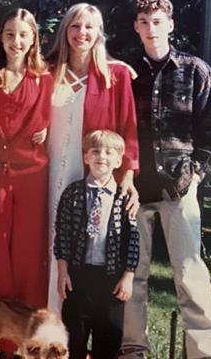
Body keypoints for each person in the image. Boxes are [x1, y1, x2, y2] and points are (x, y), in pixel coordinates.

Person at [120, 0, 211, 359]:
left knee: (189, 273)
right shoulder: (125, 72)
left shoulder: (196, 71)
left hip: (179, 188)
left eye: (157, 22)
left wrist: (195, 174)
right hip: (134, 189)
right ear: (136, 27)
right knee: (133, 274)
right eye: (144, 22)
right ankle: (133, 348)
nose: (151, 29)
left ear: (170, 25)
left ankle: (205, 352)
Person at [0, 8, 53, 358]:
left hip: (33, 176)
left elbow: (87, 70)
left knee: (30, 259)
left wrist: (119, 66)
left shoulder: (46, 77)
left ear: (34, 38)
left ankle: (26, 344)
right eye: (9, 34)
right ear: (0, 38)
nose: (16, 41)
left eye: (23, 34)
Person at [45, 3, 140, 314]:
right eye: (75, 26)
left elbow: (128, 128)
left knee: (81, 245)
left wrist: (128, 174)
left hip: (89, 174)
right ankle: (44, 324)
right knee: (48, 242)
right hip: (48, 171)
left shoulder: (115, 75)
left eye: (89, 26)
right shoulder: (46, 71)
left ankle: (72, 326)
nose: (81, 33)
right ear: (65, 31)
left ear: (99, 32)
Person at [54, 129, 140, 359]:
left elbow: (133, 241)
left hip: (111, 280)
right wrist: (63, 271)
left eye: (109, 152)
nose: (101, 156)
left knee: (109, 338)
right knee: (74, 339)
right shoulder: (72, 194)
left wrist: (128, 276)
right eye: (95, 151)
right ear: (86, 157)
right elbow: (62, 235)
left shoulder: (124, 198)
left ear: (118, 161)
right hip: (78, 277)